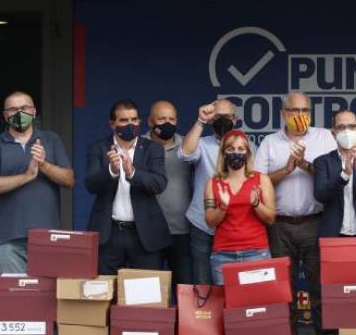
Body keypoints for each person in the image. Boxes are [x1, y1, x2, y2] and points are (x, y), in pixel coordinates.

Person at [255, 91, 337, 333]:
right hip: (279, 225)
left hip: (315, 222)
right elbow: (258, 182)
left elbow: (335, 177)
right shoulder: (270, 142)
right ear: (283, 113)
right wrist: (287, 169)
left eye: (305, 110)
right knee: (281, 291)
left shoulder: (325, 138)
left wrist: (305, 165)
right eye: (294, 110)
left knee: (320, 288)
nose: (300, 115)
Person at [0, 91, 74, 273]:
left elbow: (69, 180)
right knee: (14, 292)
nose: (19, 113)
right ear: (5, 115)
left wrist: (44, 165)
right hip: (9, 239)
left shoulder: (51, 140)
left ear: (33, 111)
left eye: (24, 108)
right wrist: (27, 176)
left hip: (47, 238)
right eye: (13, 109)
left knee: (47, 292)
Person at [85, 99, 171, 274]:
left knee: (146, 288)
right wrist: (111, 170)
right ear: (112, 124)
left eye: (134, 120)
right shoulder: (99, 148)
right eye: (124, 120)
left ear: (140, 121)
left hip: (144, 233)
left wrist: (132, 173)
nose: (130, 125)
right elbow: (91, 185)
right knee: (105, 287)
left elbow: (159, 183)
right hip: (109, 233)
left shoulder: (152, 148)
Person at [178, 99, 246, 285]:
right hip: (202, 225)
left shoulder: (247, 147)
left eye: (227, 117)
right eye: (217, 117)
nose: (223, 120)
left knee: (232, 284)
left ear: (235, 119)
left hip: (234, 225)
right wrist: (201, 120)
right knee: (203, 283)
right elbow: (184, 154)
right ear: (210, 120)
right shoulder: (202, 144)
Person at [204, 130, 276, 285]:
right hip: (223, 255)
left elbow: (270, 218)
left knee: (257, 299)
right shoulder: (213, 183)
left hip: (256, 253)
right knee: (226, 299)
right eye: (230, 149)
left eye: (240, 149)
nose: (236, 153)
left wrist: (256, 204)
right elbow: (210, 222)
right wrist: (223, 207)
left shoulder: (261, 179)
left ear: (247, 153)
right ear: (223, 153)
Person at [142, 100, 193, 287]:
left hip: (182, 229)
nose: (167, 123)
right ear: (150, 122)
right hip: (148, 230)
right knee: (148, 290)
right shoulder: (139, 146)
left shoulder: (187, 146)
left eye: (171, 119)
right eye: (162, 119)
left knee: (185, 289)